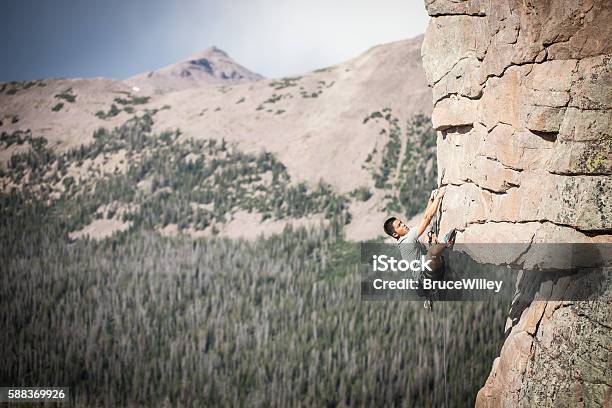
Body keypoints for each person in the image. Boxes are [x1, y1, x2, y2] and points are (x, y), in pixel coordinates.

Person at [383, 187, 456, 308]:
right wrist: (439, 197)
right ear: (395, 234)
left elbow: (425, 216)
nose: (403, 224)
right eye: (399, 225)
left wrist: (430, 200)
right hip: (425, 277)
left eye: (401, 222)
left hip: (424, 280)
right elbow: (426, 219)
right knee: (431, 252)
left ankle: (429, 296)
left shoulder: (404, 240)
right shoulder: (408, 240)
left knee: (429, 240)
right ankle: (446, 243)